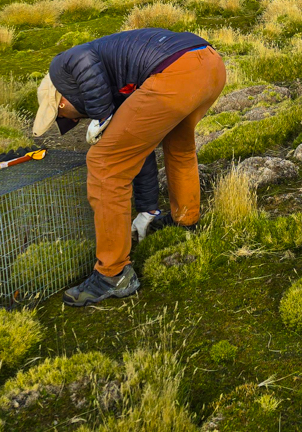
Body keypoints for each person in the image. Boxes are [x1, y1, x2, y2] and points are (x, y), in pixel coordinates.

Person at [32, 28, 226, 306]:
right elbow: (138, 145)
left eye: (60, 115)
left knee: (103, 163)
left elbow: (83, 58)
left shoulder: (63, 65)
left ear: (61, 101)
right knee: (179, 147)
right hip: (209, 63)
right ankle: (185, 219)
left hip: (175, 71)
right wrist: (147, 209)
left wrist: (101, 116)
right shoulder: (118, 81)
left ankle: (112, 274)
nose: (69, 120)